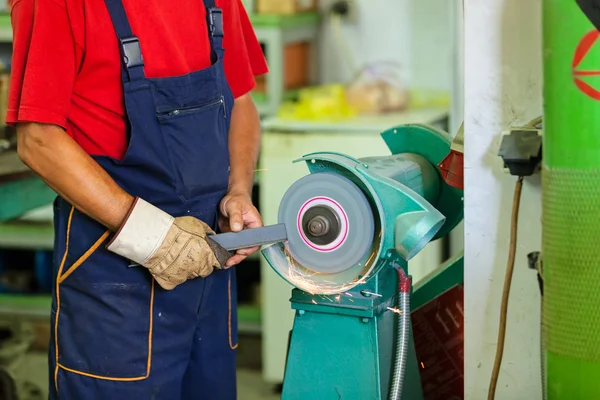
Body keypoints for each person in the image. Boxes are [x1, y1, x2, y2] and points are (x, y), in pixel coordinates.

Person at [7, 0, 268, 398]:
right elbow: (38, 139)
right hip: (116, 283)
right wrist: (152, 236)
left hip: (210, 274)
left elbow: (242, 101)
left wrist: (238, 191)